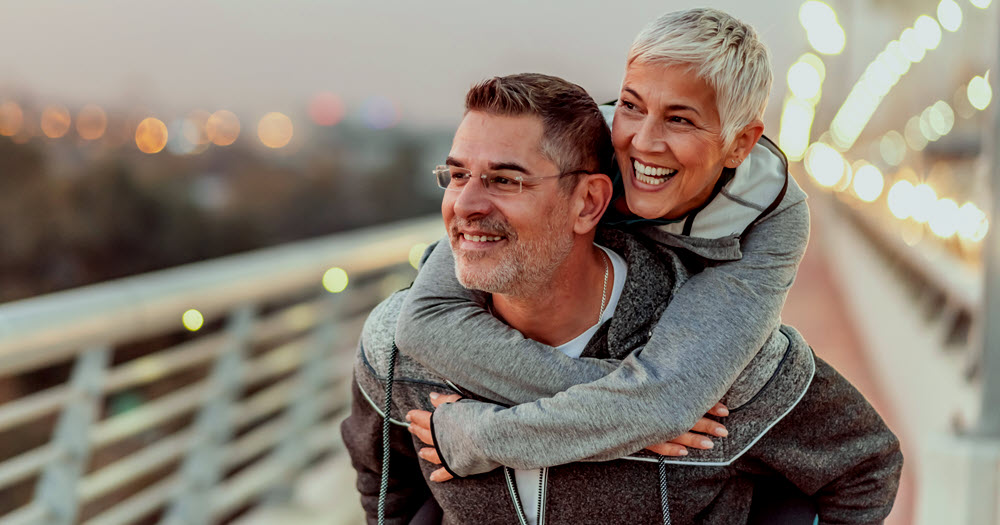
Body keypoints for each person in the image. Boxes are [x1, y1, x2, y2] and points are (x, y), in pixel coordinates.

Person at [341, 72, 902, 524]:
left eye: (505, 180)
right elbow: (386, 492)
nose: (465, 205)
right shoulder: (398, 351)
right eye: (457, 175)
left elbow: (864, 470)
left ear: (588, 203)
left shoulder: (722, 363)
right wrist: (642, 414)